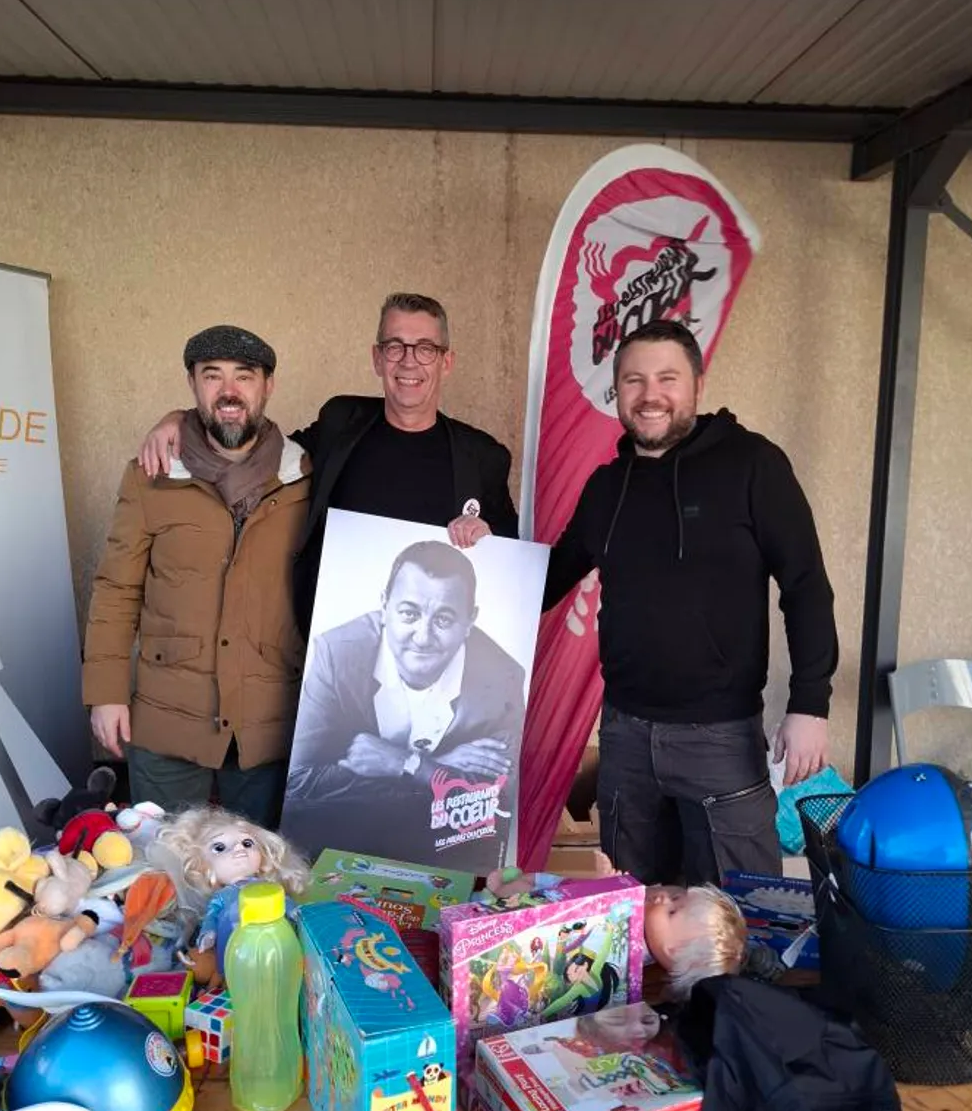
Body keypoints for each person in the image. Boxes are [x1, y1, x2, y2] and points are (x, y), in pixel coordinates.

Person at [543, 318, 837, 888]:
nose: (650, 395)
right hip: (625, 739)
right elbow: (546, 579)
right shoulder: (607, 487)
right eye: (634, 381)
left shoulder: (753, 465)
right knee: (632, 920)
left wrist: (810, 704)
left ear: (697, 385)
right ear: (618, 390)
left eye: (666, 378)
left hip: (720, 739)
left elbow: (805, 586)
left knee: (740, 921)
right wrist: (473, 550)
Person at [138, 294, 518, 637]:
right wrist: (182, 420)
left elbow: (514, 576)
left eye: (425, 348)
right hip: (330, 658)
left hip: (428, 664)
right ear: (376, 357)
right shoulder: (340, 423)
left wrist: (490, 542)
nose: (408, 361)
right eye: (394, 347)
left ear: (446, 361)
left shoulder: (483, 458)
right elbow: (259, 447)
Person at [83, 325, 310, 827]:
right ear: (192, 385)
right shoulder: (152, 476)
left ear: (267, 386)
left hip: (268, 723)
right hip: (168, 719)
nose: (229, 391)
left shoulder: (305, 477)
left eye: (243, 377)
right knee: (165, 876)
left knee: (260, 883)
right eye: (213, 376)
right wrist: (106, 690)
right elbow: (117, 589)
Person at [281, 539, 525, 870]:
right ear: (384, 606)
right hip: (345, 839)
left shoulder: (502, 677)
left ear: (470, 621)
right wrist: (441, 769)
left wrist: (410, 764)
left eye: (444, 619)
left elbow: (497, 800)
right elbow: (300, 781)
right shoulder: (337, 654)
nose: (423, 637)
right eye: (409, 613)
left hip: (442, 852)